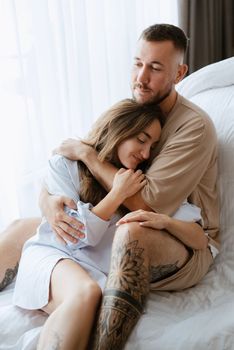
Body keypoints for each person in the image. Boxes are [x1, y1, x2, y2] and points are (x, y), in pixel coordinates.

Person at [0, 23, 219, 349]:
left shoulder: (194, 127)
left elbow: (149, 204)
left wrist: (89, 157)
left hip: (179, 239)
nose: (141, 77)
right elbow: (71, 165)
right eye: (138, 63)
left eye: (156, 68)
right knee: (22, 229)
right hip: (114, 220)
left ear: (179, 73)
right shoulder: (135, 107)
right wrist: (47, 201)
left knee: (131, 231)